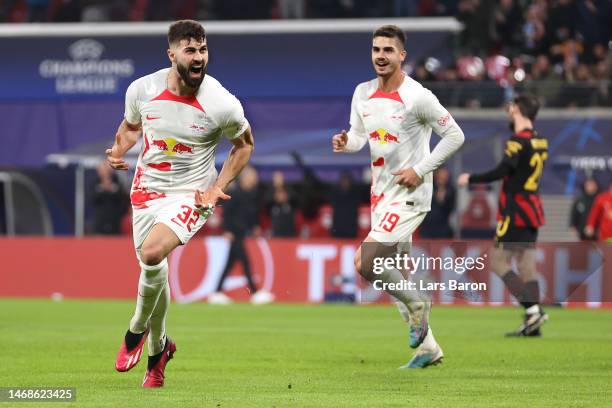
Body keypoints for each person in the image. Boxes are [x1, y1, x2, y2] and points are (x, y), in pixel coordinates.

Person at [106, 20, 254, 387]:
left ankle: (135, 331)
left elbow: (245, 144)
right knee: (154, 271)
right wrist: (119, 149)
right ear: (171, 55)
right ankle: (159, 352)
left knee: (153, 254)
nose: (199, 56)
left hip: (193, 193)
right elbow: (130, 126)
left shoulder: (222, 103)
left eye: (203, 49)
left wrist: (218, 186)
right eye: (190, 50)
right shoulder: (142, 89)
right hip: (146, 190)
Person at [332, 25, 465, 368]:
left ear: (402, 55)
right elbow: (361, 137)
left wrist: (420, 169)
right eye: (376, 49)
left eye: (388, 50)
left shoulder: (417, 96)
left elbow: (454, 136)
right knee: (394, 273)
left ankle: (419, 303)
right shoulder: (362, 93)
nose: (380, 55)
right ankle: (429, 349)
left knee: (366, 262)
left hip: (409, 194)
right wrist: (347, 143)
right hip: (381, 194)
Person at [458, 93, 548, 337]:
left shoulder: (517, 142)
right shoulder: (541, 141)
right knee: (527, 265)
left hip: (515, 211)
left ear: (518, 109)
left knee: (498, 261)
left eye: (512, 106)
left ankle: (533, 310)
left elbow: (502, 170)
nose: (509, 110)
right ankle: (532, 323)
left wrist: (471, 178)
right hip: (533, 209)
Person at [208, 166, 274, 305]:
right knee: (245, 261)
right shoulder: (235, 193)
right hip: (233, 232)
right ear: (246, 178)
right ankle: (255, 293)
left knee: (230, 263)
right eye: (253, 177)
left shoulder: (252, 194)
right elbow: (227, 213)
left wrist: (254, 226)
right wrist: (226, 230)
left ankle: (217, 292)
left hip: (241, 232)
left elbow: (250, 214)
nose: (255, 179)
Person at [91, 161, 129, 235]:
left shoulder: (117, 182)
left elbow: (122, 199)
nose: (104, 172)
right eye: (102, 170)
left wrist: (111, 189)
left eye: (106, 169)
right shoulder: (94, 183)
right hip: (100, 221)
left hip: (115, 221)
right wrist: (103, 189)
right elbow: (92, 199)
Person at [419, 167, 456, 239]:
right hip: (426, 228)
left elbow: (448, 206)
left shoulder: (450, 189)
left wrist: (441, 189)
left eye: (445, 175)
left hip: (442, 228)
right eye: (441, 174)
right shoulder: (428, 186)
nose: (442, 177)